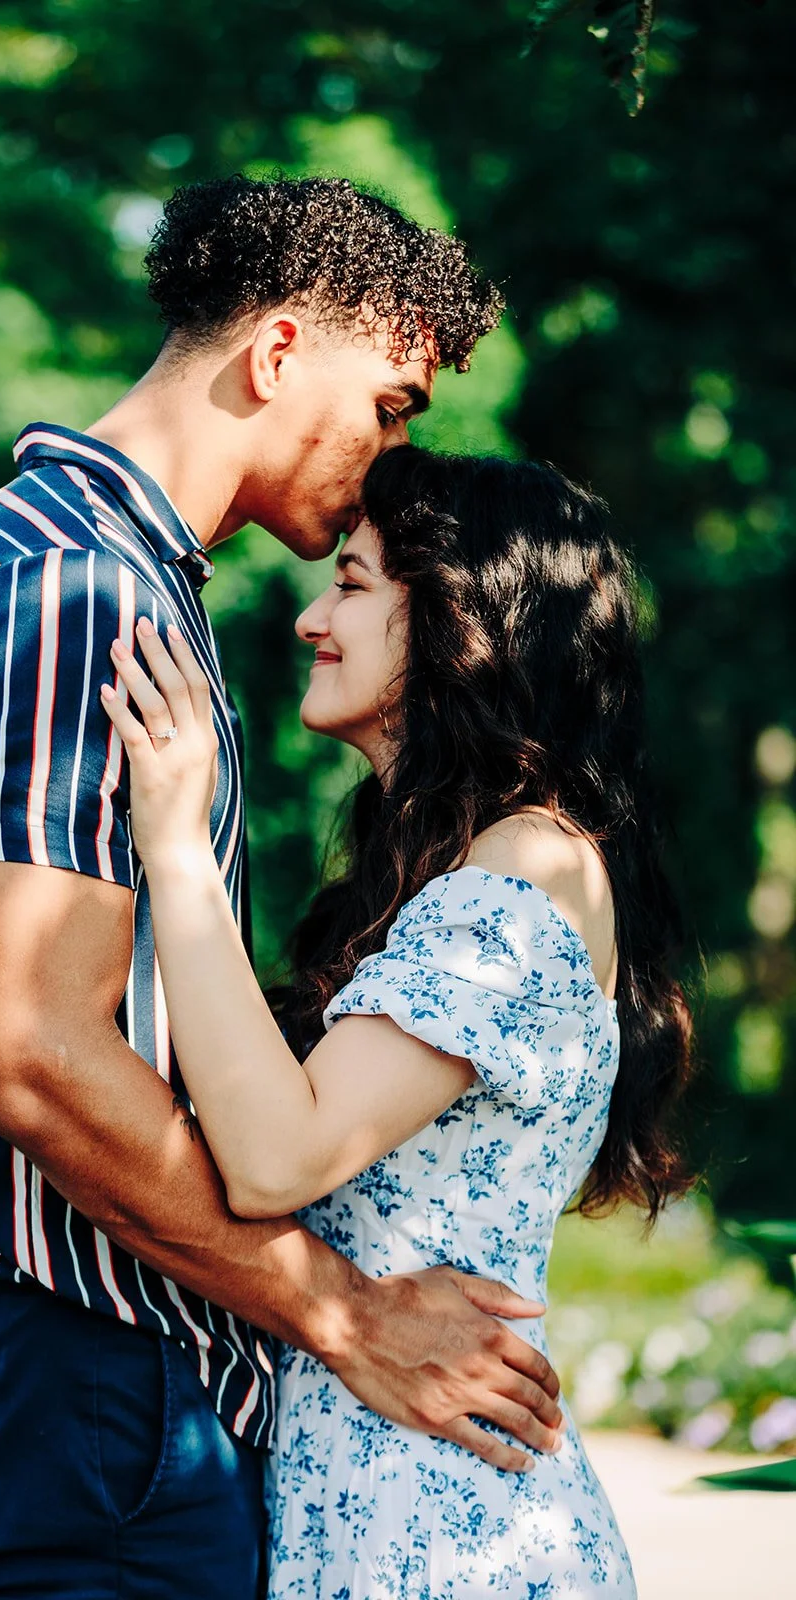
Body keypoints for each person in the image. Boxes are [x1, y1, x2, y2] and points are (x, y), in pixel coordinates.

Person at [0, 177, 566, 1600]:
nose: (386, 462)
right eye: (391, 406)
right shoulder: (69, 593)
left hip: (80, 1372)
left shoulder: (103, 577)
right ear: (280, 352)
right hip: (56, 1360)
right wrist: (346, 1318)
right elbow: (39, 1061)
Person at [102, 443, 695, 1598]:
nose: (310, 619)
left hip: (446, 1526)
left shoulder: (523, 873)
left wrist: (173, 850)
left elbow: (276, 1155)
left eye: (356, 584)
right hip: (388, 1497)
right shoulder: (456, 869)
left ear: (462, 619)